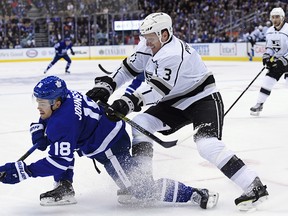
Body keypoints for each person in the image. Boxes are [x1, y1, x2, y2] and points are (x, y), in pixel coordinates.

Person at [86, 12, 268, 211]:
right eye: (145, 39)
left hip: (202, 99)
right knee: (140, 125)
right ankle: (143, 183)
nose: (147, 43)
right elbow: (129, 68)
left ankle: (254, 186)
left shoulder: (173, 53)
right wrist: (108, 86)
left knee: (206, 145)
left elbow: (156, 90)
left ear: (164, 34)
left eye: (151, 39)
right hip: (174, 101)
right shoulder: (149, 44)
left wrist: (126, 102)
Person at [0, 76, 218, 209]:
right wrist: (41, 126)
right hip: (109, 131)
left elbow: (58, 161)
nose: (39, 106)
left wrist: (24, 170)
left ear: (56, 103)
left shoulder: (62, 123)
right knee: (64, 145)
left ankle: (194, 193)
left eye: (42, 103)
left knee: (141, 190)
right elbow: (56, 127)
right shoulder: (66, 97)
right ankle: (65, 187)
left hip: (109, 147)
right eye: (37, 101)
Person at [250, 7, 288, 116]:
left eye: (277, 17)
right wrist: (267, 55)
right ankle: (259, 104)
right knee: (268, 80)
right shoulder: (270, 31)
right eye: (273, 17)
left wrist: (284, 59)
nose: (275, 19)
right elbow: (270, 47)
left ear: (282, 18)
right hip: (279, 61)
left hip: (286, 59)